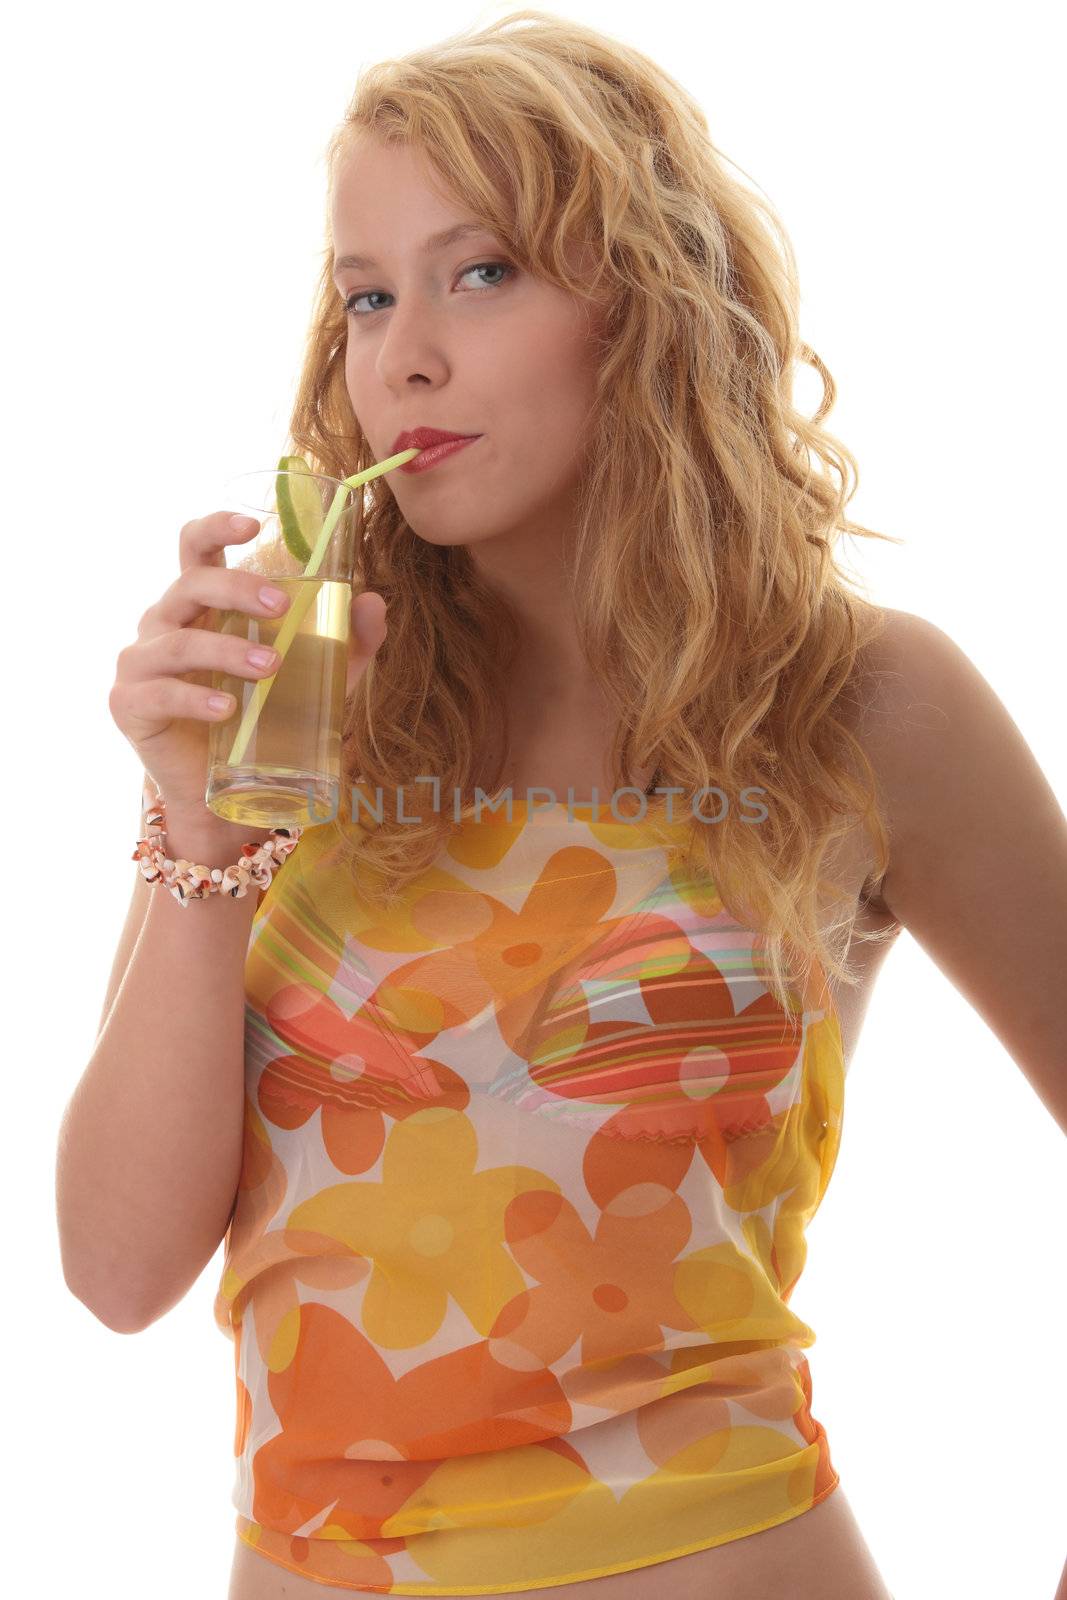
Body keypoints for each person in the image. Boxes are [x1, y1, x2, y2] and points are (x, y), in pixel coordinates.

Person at [56, 11, 1066, 1600]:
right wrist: (198, 826)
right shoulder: (301, 713)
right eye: (367, 295)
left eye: (485, 271)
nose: (406, 356)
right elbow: (116, 1275)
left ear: (648, 307)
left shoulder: (863, 702)